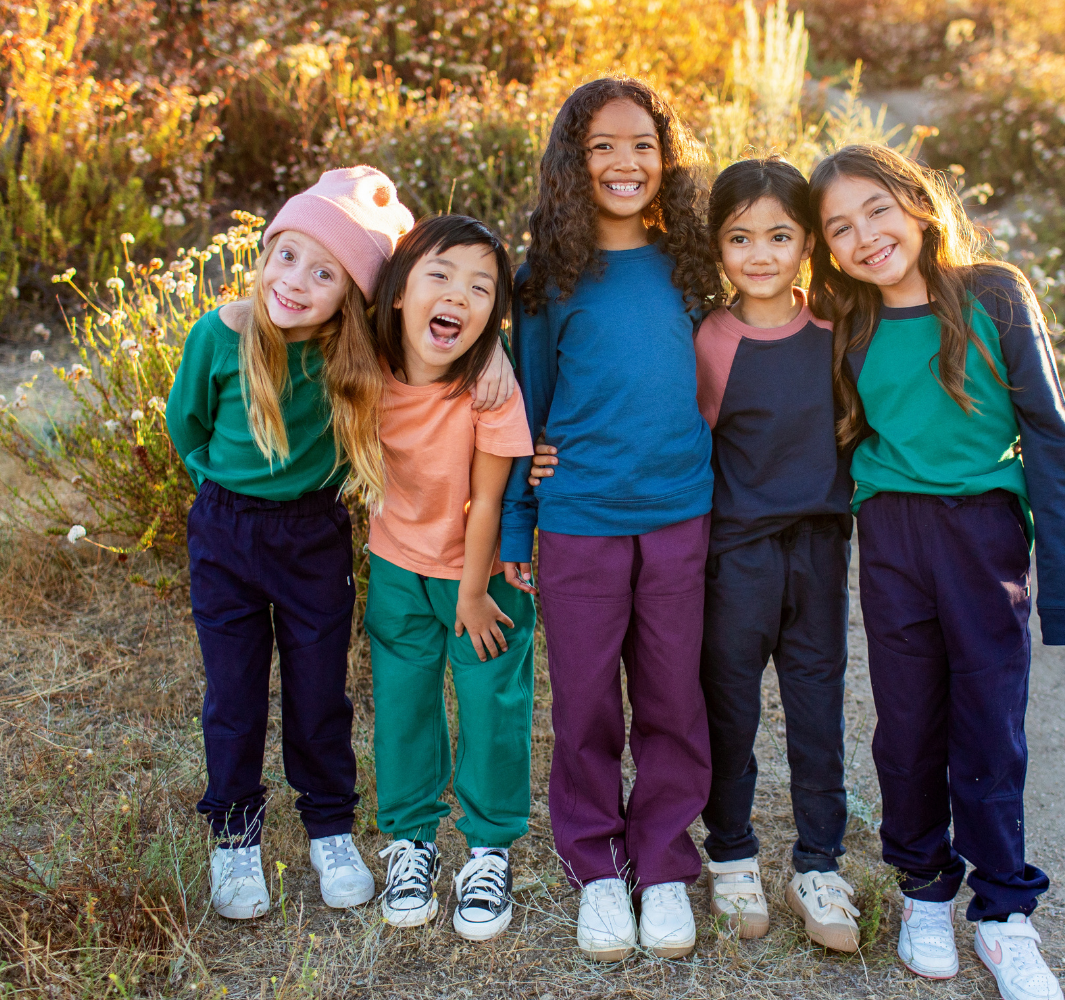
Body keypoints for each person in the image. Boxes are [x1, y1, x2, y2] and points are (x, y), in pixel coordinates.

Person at [529, 156, 860, 951]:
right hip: (725, 547)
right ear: (714, 246)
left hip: (809, 550)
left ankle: (811, 863)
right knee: (714, 704)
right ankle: (715, 858)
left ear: (808, 244)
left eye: (781, 236)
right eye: (740, 237)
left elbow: (858, 425)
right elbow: (685, 425)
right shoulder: (709, 332)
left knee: (790, 705)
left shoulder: (839, 332)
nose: (761, 254)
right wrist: (548, 460)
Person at [165, 167, 514, 921]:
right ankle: (234, 840)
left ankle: (329, 829)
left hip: (313, 535)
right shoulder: (219, 336)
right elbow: (185, 425)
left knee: (320, 691)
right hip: (225, 531)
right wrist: (216, 485)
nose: (295, 280)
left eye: (325, 271)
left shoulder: (355, 360)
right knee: (234, 693)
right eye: (285, 255)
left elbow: (437, 346)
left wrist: (496, 355)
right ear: (265, 250)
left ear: (354, 293)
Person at [810, 143, 1065, 1000]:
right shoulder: (845, 322)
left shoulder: (993, 295)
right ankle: (924, 886)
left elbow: (1049, 438)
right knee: (908, 724)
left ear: (919, 207)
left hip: (984, 536)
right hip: (891, 537)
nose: (865, 237)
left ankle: (1005, 911)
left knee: (989, 724)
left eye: (877, 212)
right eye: (840, 229)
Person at [500, 77, 723, 961]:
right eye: (602, 146)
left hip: (678, 513)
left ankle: (663, 862)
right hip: (582, 518)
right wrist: (519, 521)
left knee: (673, 693)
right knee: (587, 697)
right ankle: (595, 866)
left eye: (642, 144)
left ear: (665, 158)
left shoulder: (692, 263)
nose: (625, 162)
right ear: (571, 162)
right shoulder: (547, 278)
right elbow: (529, 408)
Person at [358, 214, 535, 942]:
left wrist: (470, 590)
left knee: (493, 704)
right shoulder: (360, 366)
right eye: (440, 275)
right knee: (403, 703)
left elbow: (488, 498)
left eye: (481, 288)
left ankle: (489, 852)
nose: (458, 296)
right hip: (397, 564)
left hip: (481, 573)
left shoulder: (491, 387)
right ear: (398, 291)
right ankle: (411, 843)